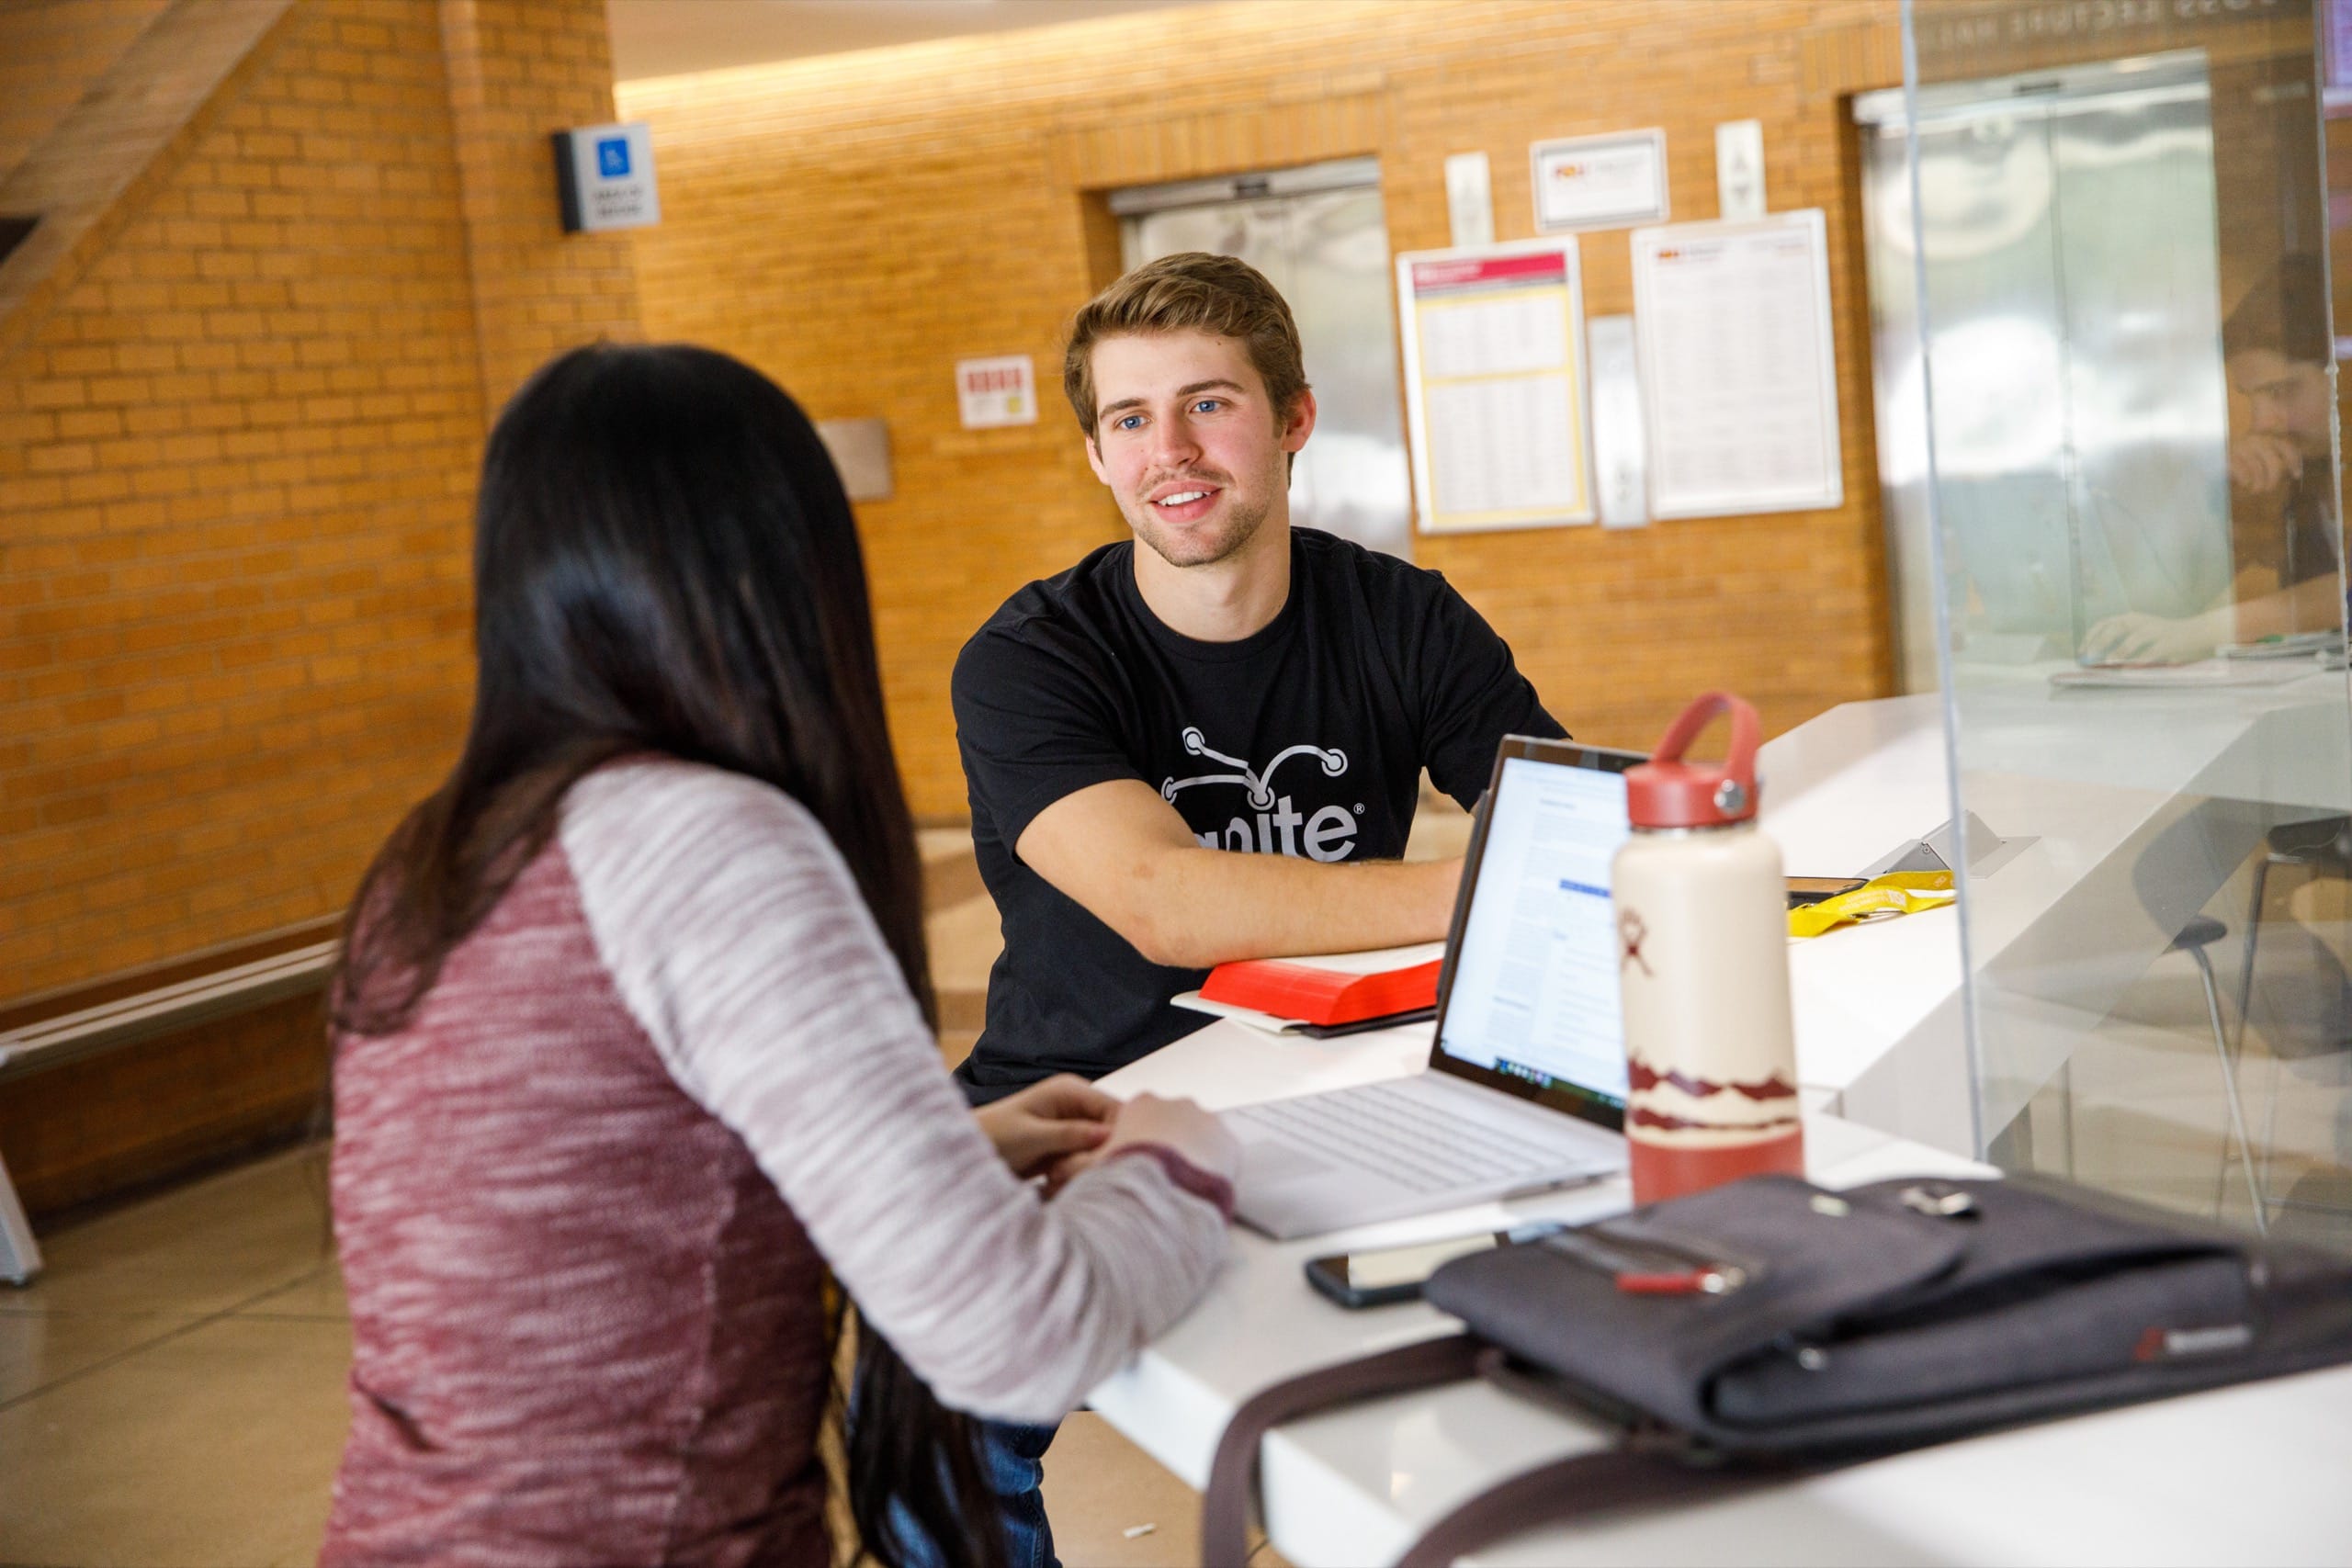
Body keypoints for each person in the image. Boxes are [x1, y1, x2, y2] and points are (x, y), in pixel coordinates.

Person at [319, 343, 1238, 1568]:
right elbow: (1018, 1336)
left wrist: (938, 1153)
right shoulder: (701, 839)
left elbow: (607, 1217)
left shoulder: (434, 859)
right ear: (776, 574)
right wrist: (1177, 1164)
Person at [933, 252, 1565, 1563]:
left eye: (1210, 404)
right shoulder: (1030, 656)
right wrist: (1476, 887)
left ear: (1291, 420)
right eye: (1128, 417)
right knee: (924, 1381)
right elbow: (1164, 900)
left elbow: (1559, 830)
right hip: (1072, 1096)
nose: (1172, 448)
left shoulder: (1403, 617)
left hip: (1333, 1084)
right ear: (1098, 456)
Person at [2086, 255, 2344, 664]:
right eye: (2249, 397)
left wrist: (2204, 632)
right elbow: (2167, 605)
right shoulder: (2300, 467)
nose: (2262, 422)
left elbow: (2342, 593)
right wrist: (2234, 503)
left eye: (2281, 392)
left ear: (2340, 375)